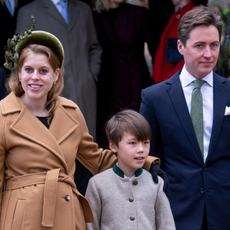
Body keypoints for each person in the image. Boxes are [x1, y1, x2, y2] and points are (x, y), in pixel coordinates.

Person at [0, 18, 162, 230]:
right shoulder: (3, 115)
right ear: (19, 73)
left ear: (56, 75)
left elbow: (95, 159)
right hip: (22, 218)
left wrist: (143, 161)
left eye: (43, 71)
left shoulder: (71, 112)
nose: (35, 78)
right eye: (29, 70)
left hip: (66, 214)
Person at [140, 6, 229, 230]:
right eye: (199, 46)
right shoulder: (154, 97)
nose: (209, 54)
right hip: (176, 212)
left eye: (214, 45)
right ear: (180, 46)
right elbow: (146, 157)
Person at [15, 0, 102, 195]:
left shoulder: (83, 9)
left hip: (84, 94)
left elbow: (94, 47)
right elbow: (19, 57)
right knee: (55, 161)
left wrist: (90, 74)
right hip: (48, 99)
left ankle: (83, 218)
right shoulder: (29, 11)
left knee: (85, 160)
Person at [85, 110, 175, 230]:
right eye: (133, 143)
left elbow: (167, 226)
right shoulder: (97, 184)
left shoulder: (157, 183)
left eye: (145, 142)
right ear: (113, 146)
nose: (141, 149)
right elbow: (90, 226)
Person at [93, 0, 159, 149]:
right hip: (107, 85)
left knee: (135, 129)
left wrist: (158, 83)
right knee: (109, 132)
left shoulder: (139, 13)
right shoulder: (95, 17)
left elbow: (155, 49)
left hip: (135, 81)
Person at [152, 0, 208, 84]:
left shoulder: (195, 17)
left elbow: (194, 55)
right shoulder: (177, 14)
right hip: (168, 78)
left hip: (177, 80)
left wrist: (171, 80)